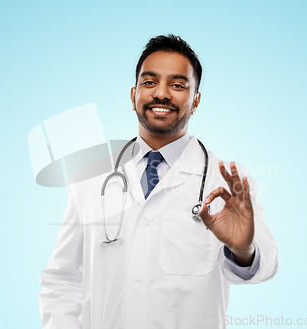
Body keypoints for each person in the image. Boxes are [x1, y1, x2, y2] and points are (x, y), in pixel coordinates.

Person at [39, 34, 278, 329]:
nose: (161, 94)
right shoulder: (91, 178)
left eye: (178, 85)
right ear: (133, 95)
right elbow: (62, 279)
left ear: (196, 101)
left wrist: (243, 250)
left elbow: (266, 263)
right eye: (149, 82)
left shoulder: (227, 181)